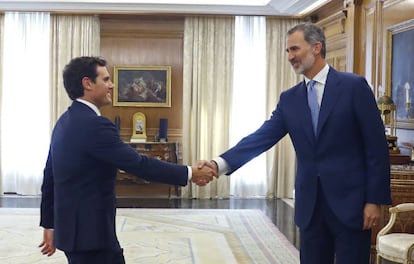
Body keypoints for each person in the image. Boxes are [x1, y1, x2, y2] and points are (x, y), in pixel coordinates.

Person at [200, 23, 391, 264]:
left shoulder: (353, 87)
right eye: (287, 51)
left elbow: (376, 148)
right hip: (310, 208)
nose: (290, 57)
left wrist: (374, 201)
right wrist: (219, 164)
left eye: (294, 49)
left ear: (316, 47)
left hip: (351, 205)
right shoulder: (290, 99)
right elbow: (261, 137)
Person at [38, 56, 216, 264]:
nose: (112, 85)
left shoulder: (64, 121)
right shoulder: (95, 125)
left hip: (73, 233)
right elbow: (139, 164)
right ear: (87, 83)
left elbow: (49, 177)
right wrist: (190, 172)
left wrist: (49, 225)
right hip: (92, 236)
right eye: (105, 80)